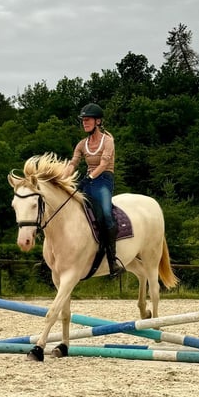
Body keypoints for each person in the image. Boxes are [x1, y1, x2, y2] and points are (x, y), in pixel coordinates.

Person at [62, 103, 125, 278]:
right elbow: (73, 163)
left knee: (105, 213)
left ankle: (113, 261)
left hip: (103, 180)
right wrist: (62, 178)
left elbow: (104, 164)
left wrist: (89, 178)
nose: (84, 123)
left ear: (98, 121)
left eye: (87, 120)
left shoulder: (108, 141)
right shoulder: (82, 144)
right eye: (83, 120)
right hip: (87, 180)